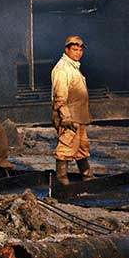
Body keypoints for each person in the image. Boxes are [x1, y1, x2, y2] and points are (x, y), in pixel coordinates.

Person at [51, 34, 92, 180]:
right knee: (66, 147)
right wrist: (65, 117)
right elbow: (59, 96)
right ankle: (61, 180)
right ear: (67, 50)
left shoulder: (73, 67)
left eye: (80, 50)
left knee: (81, 146)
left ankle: (87, 176)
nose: (78, 53)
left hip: (78, 115)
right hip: (69, 116)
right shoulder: (63, 69)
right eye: (75, 50)